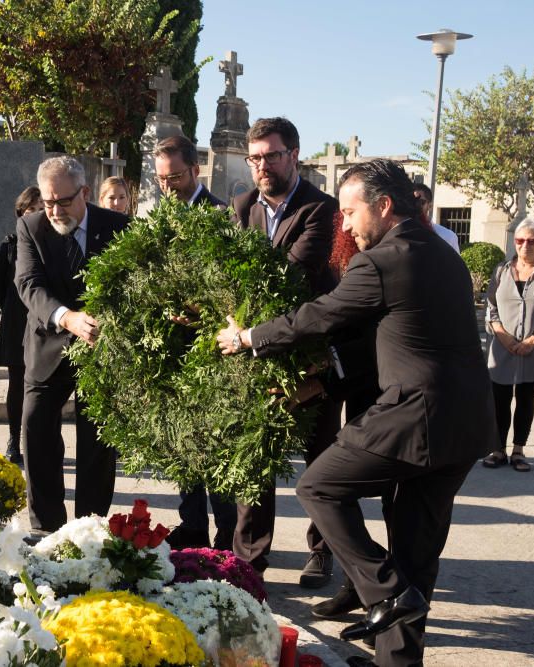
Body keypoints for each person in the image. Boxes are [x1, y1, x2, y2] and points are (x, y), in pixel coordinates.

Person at [217, 159, 496, 666]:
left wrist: (248, 337)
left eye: (350, 213)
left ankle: (387, 592)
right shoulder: (443, 252)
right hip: (469, 422)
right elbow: (393, 335)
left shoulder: (383, 260)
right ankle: (398, 657)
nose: (343, 224)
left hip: (419, 414)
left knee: (318, 486)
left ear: (384, 207)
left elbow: (319, 317)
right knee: (417, 547)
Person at [231, 116, 340, 588]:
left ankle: (322, 550)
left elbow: (293, 275)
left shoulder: (322, 210)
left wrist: (242, 319)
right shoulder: (242, 207)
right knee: (254, 456)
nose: (262, 166)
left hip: (310, 350)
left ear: (294, 155)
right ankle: (249, 560)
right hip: (254, 353)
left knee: (321, 459)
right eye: (254, 157)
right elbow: (225, 269)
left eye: (271, 156)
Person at [15, 156, 129, 531]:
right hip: (48, 345)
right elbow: (29, 284)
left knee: (98, 444)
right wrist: (67, 317)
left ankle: (90, 528)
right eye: (48, 202)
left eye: (62, 201)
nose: (54, 210)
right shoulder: (31, 227)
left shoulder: (118, 227)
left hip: (101, 350)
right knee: (35, 430)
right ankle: (46, 528)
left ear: (84, 193)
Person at [153, 134, 236, 553]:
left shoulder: (221, 215)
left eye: (176, 176)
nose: (168, 185)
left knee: (217, 445)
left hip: (214, 352)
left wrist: (201, 312)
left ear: (196, 169)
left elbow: (233, 285)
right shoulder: (158, 218)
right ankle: (192, 526)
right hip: (173, 351)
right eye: (161, 178)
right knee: (184, 442)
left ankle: (226, 536)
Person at [482, 217, 534, 472]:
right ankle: (498, 449)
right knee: (499, 399)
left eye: (531, 241)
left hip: (533, 348)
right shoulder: (501, 270)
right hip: (501, 347)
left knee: (526, 399)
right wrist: (503, 335)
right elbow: (490, 308)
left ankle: (518, 450)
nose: (524, 246)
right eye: (520, 240)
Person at [0, 186, 43, 465]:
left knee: (44, 386)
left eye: (39, 209)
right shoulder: (10, 243)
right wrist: (14, 311)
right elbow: (0, 284)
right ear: (21, 213)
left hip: (45, 322)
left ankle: (39, 439)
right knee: (17, 383)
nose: (35, 214)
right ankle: (14, 439)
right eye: (29, 210)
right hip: (16, 321)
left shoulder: (56, 240)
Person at [154, 135, 226, 207]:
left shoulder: (218, 213)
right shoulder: (164, 211)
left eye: (174, 177)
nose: (167, 186)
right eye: (161, 178)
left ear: (195, 171)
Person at [412, 183, 460, 253]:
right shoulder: (395, 234)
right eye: (411, 202)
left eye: (420, 202)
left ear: (430, 206)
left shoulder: (447, 237)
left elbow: (456, 263)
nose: (415, 206)